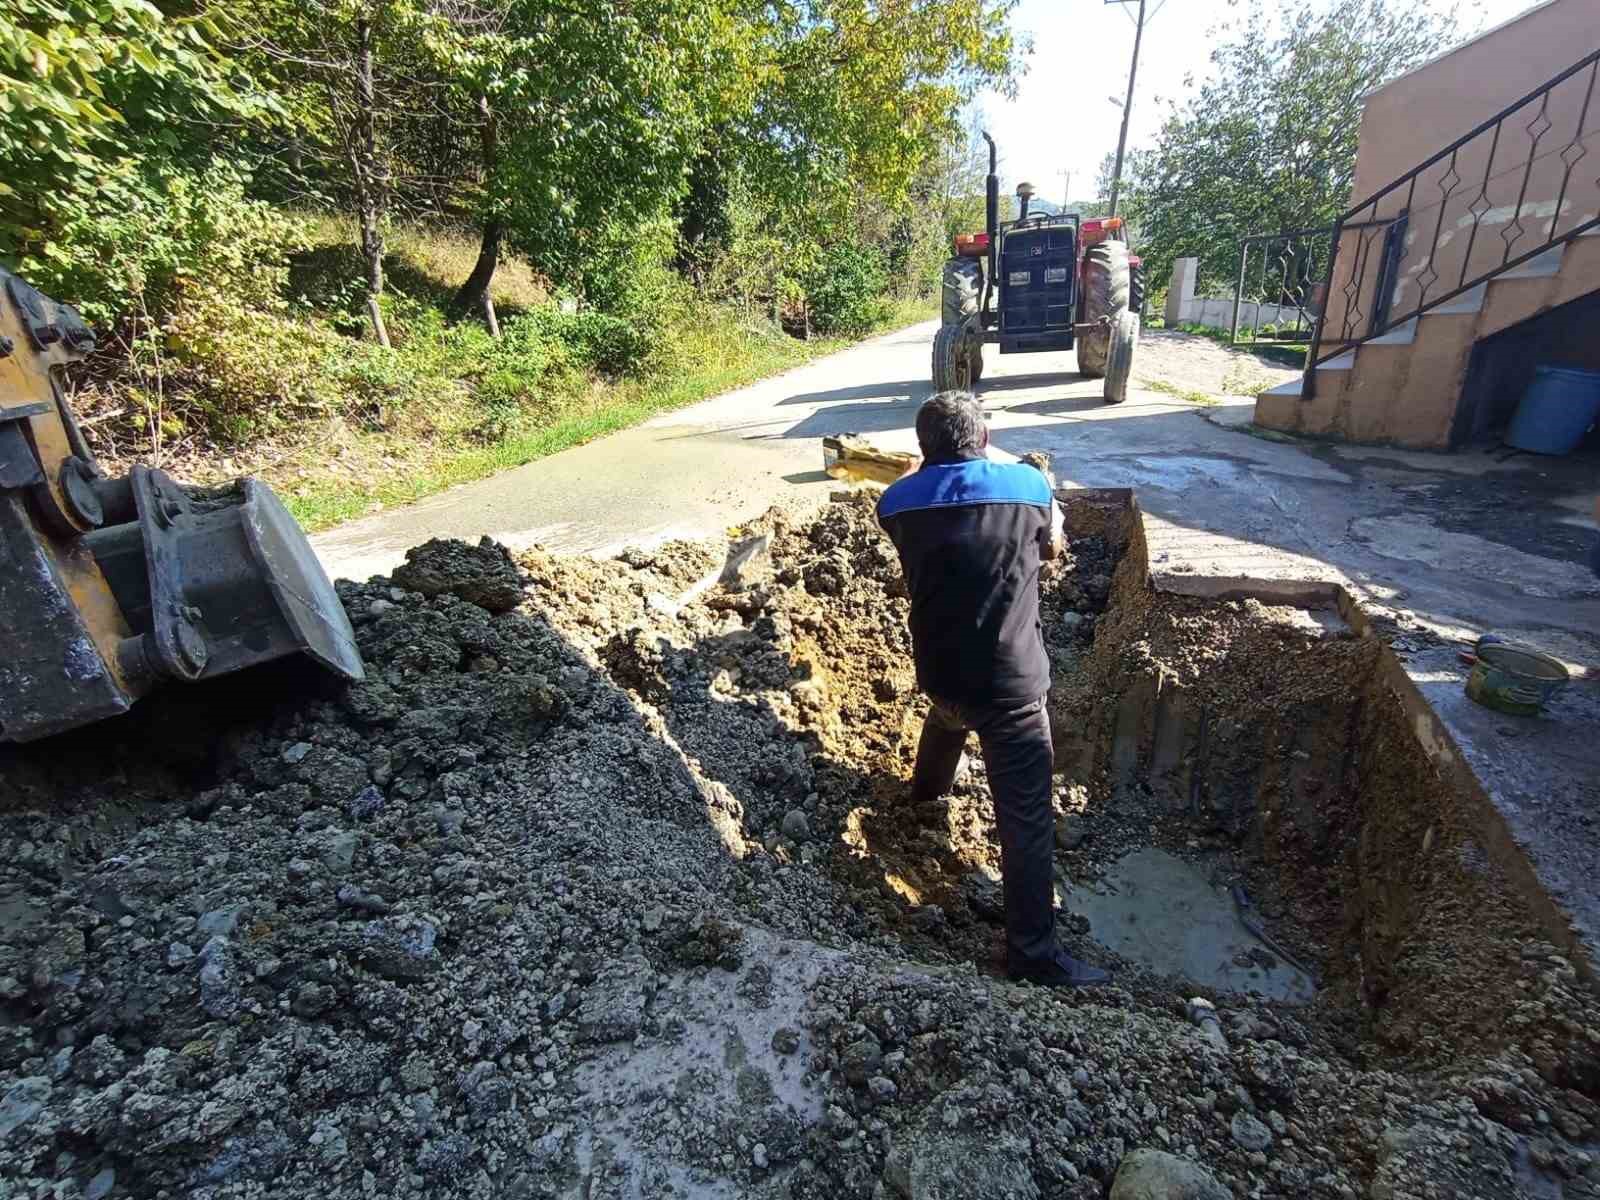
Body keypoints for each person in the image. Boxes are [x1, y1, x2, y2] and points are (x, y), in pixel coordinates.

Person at [876, 390, 1111, 989]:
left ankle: (925, 798)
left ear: (923, 450)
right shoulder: (1029, 490)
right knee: (1025, 818)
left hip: (942, 673)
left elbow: (924, 494)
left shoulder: (896, 503)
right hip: (1011, 686)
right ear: (982, 439)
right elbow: (1052, 548)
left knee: (947, 715)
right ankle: (1033, 955)